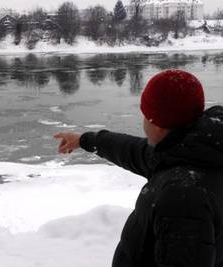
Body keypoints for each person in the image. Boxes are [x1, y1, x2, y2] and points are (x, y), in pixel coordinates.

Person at [54, 69, 223, 267]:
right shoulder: (195, 152)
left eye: (145, 115)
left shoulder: (182, 195)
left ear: (156, 124)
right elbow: (131, 150)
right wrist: (84, 140)